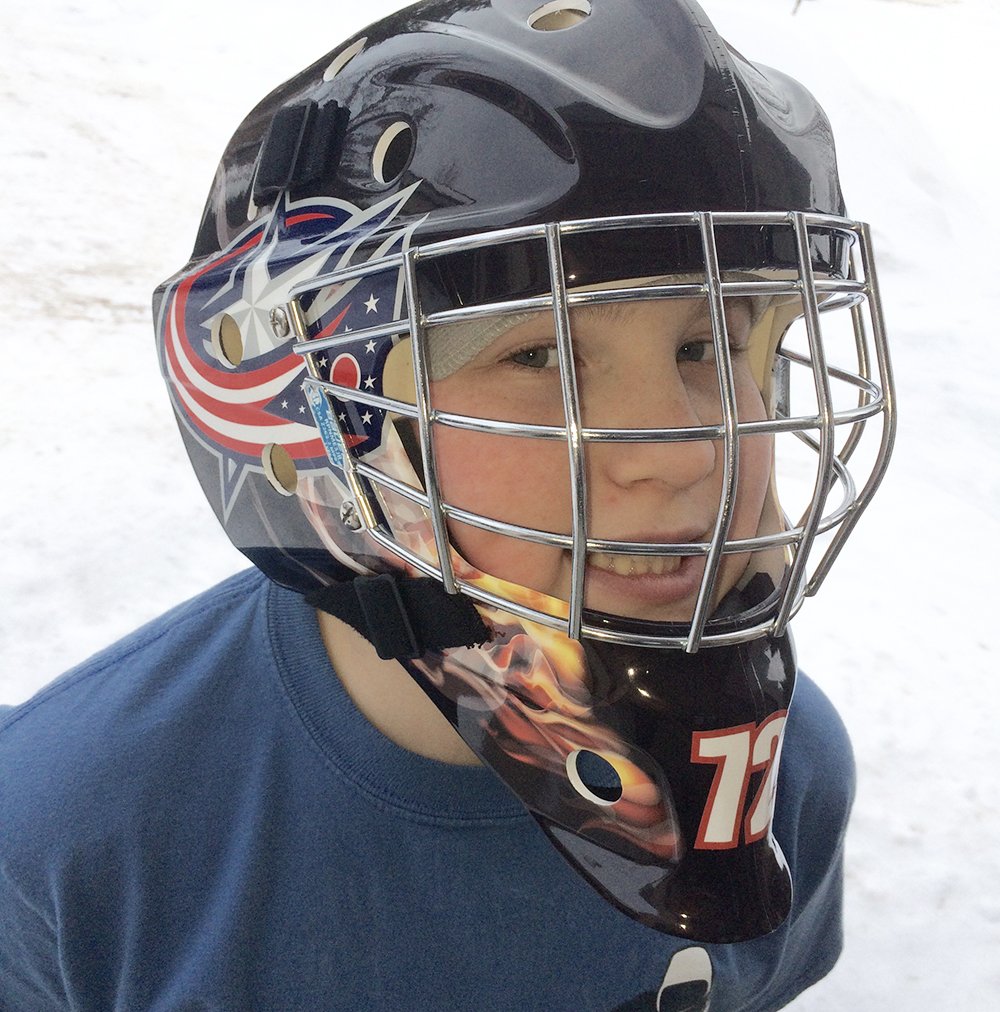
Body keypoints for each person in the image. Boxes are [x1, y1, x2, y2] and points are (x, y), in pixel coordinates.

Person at [0, 1, 896, 1008]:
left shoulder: (781, 772)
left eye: (711, 345)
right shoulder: (66, 840)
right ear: (321, 423)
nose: (686, 450)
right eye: (541, 355)